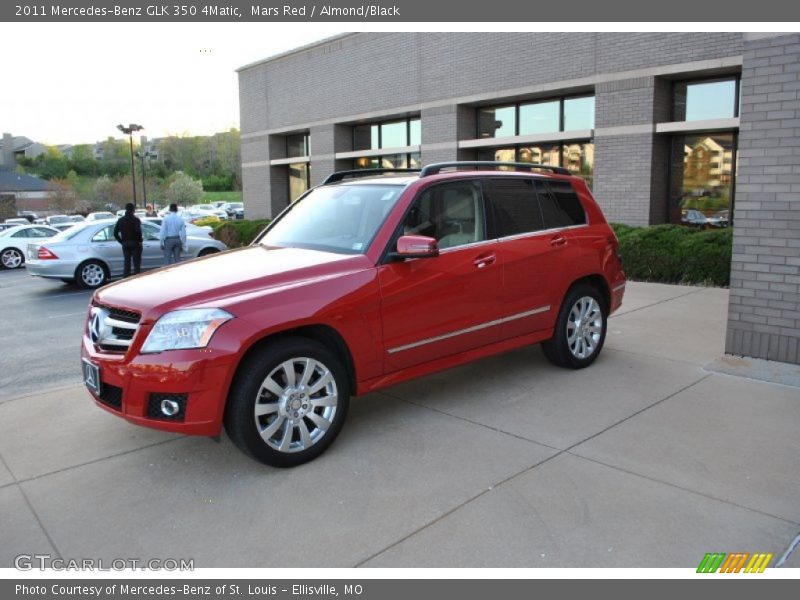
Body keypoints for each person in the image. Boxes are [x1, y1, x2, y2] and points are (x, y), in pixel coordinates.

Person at [113, 203, 143, 277]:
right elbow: (138, 231)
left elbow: (115, 233)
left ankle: (126, 278)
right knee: (136, 263)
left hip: (125, 243)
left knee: (127, 262)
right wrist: (140, 241)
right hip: (135, 243)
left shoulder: (120, 220)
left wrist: (121, 241)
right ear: (133, 210)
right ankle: (137, 278)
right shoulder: (135, 220)